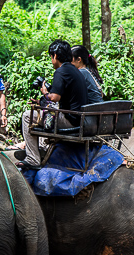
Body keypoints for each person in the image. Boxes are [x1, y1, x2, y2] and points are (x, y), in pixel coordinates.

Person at [19, 40, 88, 169]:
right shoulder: (74, 70)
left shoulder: (61, 71)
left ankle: (33, 159)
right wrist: (41, 101)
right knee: (42, 113)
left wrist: (45, 93)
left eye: (51, 57)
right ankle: (42, 149)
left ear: (55, 56)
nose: (51, 60)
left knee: (27, 116)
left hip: (70, 120)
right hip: (78, 118)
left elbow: (55, 98)